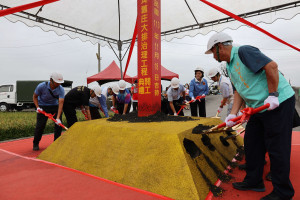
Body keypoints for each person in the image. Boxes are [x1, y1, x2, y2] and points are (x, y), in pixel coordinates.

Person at [205, 32, 295, 200]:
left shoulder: (243, 52)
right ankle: (254, 181)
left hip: (277, 102)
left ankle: (283, 192)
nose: (213, 57)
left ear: (220, 46)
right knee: (252, 142)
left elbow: (272, 67)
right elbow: (239, 91)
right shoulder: (229, 67)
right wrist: (233, 115)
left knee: (277, 147)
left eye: (213, 52)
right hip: (258, 108)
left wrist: (273, 94)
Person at [32, 72, 65, 151]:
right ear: (51, 80)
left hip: (54, 106)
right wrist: (38, 107)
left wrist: (58, 118)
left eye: (60, 83)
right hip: (42, 106)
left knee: (59, 125)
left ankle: (56, 143)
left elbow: (61, 103)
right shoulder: (41, 86)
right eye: (57, 83)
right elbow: (35, 97)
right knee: (40, 126)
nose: (58, 85)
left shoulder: (61, 89)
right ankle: (35, 143)